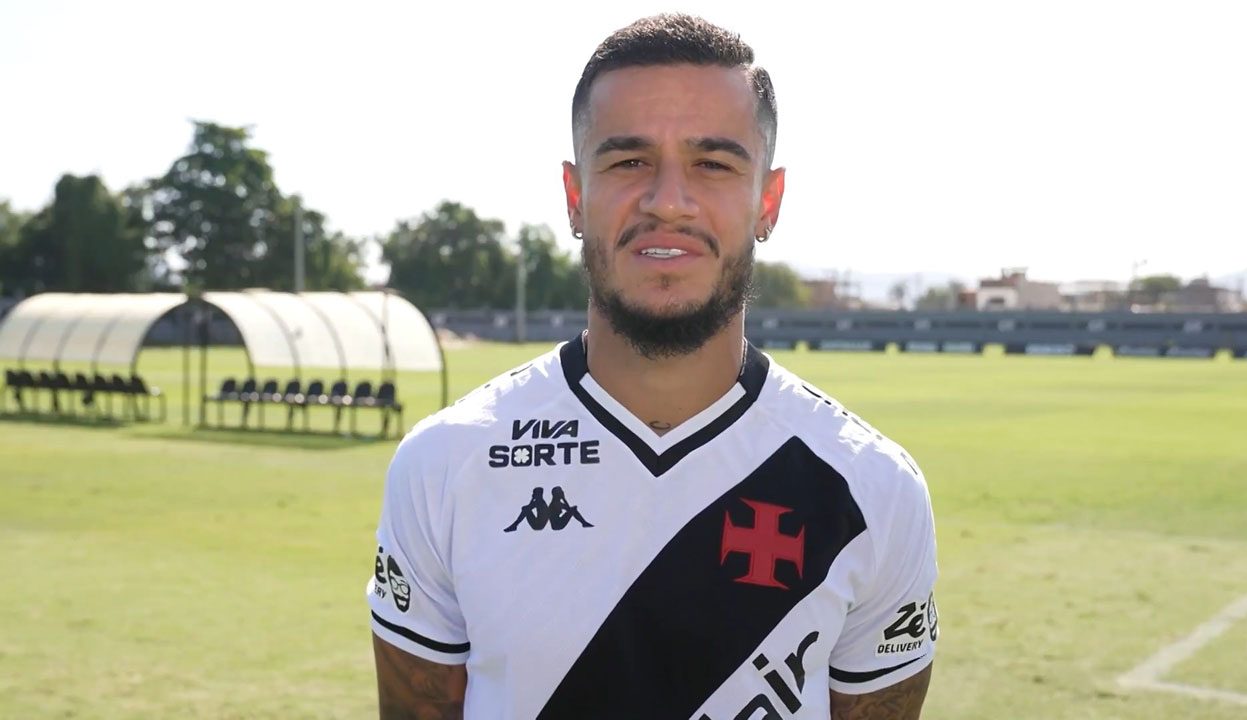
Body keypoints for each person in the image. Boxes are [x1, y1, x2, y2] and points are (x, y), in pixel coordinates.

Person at [367, 13, 939, 719]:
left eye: (714, 163)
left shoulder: (871, 489)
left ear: (768, 200)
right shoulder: (447, 462)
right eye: (629, 161)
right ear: (576, 198)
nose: (668, 200)